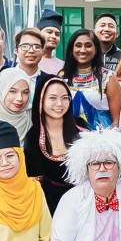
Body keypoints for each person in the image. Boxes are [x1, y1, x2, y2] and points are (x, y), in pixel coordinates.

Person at [25, 75, 85, 214]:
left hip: (84, 200)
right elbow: (34, 183)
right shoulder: (33, 137)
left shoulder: (81, 127)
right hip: (50, 204)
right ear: (41, 100)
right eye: (52, 98)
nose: (59, 103)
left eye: (65, 98)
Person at [61, 29, 121, 128]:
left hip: (100, 139)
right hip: (69, 137)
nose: (83, 50)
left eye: (88, 45)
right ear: (72, 49)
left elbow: (117, 121)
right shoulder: (62, 78)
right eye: (78, 45)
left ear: (96, 49)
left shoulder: (108, 77)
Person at [0, 67, 33, 146]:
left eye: (25, 92)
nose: (20, 98)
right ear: (2, 90)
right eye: (13, 91)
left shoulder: (34, 118)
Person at [12, 27, 54, 92]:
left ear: (42, 51)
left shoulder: (50, 81)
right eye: (25, 46)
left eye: (36, 47)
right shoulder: (4, 78)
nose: (31, 50)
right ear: (16, 51)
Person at [38, 9, 65, 75]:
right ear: (39, 33)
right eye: (49, 32)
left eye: (57, 34)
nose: (54, 36)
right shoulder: (25, 61)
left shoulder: (62, 66)